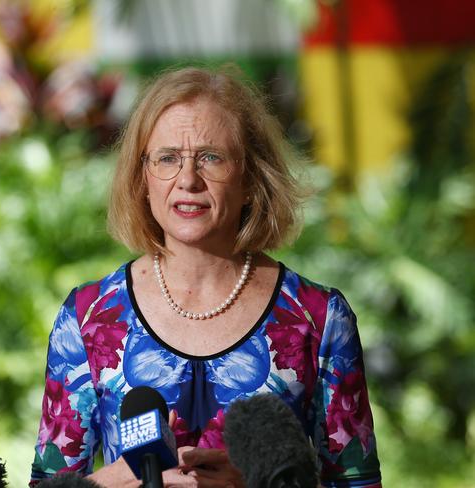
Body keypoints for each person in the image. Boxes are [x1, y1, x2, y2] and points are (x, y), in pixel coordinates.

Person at [29, 66, 382, 488]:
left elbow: (358, 484)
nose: (188, 180)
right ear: (142, 178)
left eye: (211, 157)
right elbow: (48, 483)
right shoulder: (87, 318)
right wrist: (106, 485)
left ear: (251, 178)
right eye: (166, 159)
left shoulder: (320, 318)